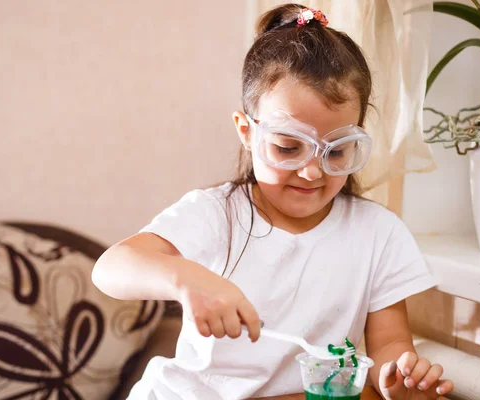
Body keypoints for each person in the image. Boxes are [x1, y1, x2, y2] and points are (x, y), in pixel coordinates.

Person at [92, 4, 454, 400]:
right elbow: (110, 269)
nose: (313, 172)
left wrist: (397, 377)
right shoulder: (217, 215)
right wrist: (187, 278)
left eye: (336, 152)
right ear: (246, 132)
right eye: (288, 147)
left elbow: (389, 345)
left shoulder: (378, 234)